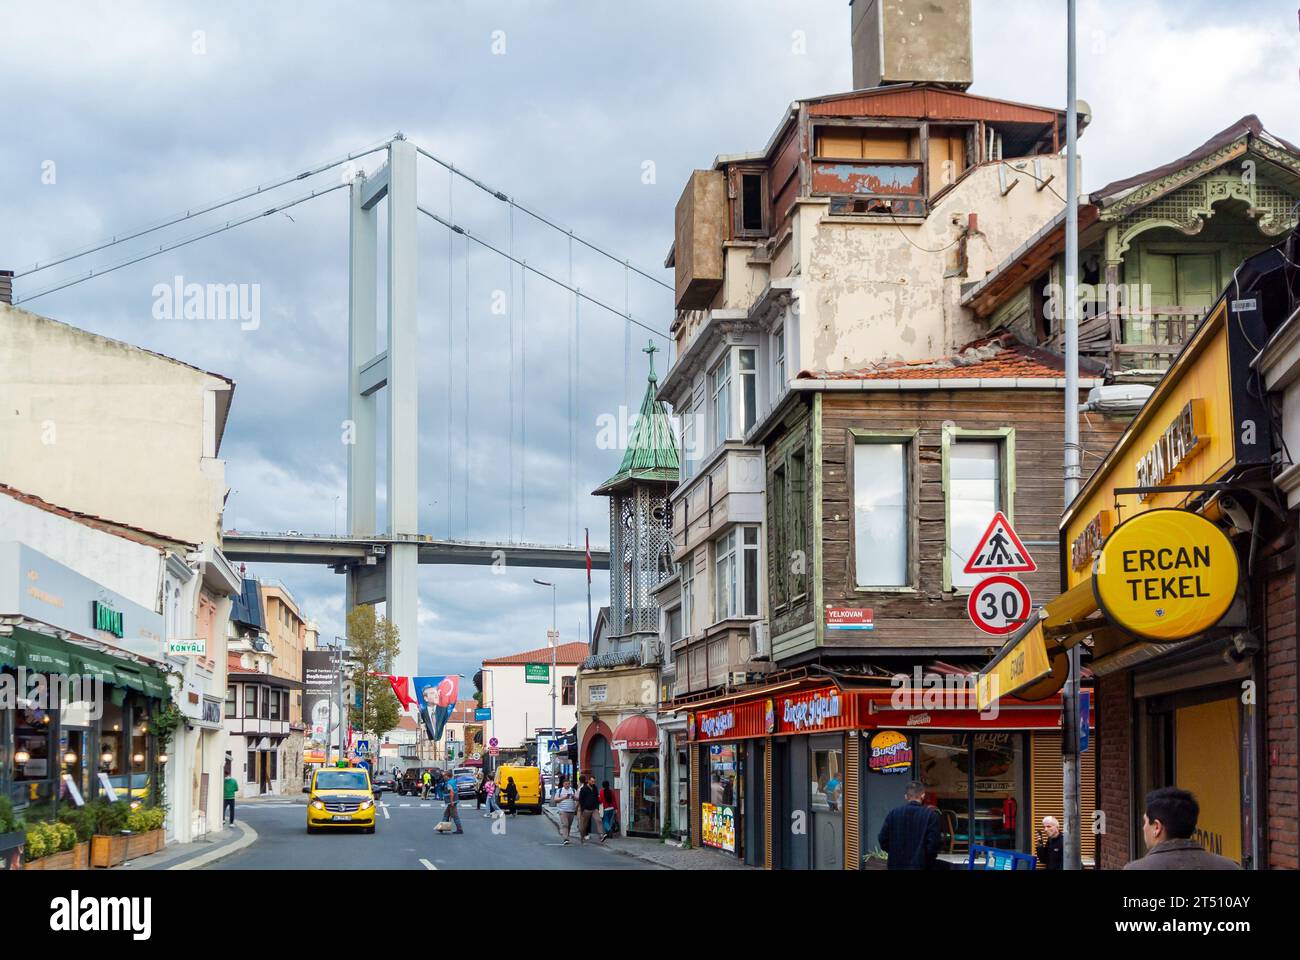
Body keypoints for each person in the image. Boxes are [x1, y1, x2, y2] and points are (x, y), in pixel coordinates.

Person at [1124, 787, 1240, 870]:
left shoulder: (1136, 868)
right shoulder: (1231, 866)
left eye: (1145, 822)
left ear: (1157, 827)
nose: (1143, 828)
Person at [878, 781, 942, 870]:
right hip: (921, 865)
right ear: (923, 795)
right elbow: (934, 843)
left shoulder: (893, 814)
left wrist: (894, 852)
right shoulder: (931, 816)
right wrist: (925, 858)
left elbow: (883, 839)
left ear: (906, 796)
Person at [577, 774, 607, 844]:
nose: (593, 783)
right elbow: (581, 799)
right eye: (592, 781)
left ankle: (601, 835)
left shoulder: (595, 788)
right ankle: (582, 837)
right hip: (586, 809)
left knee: (599, 820)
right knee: (584, 825)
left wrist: (597, 806)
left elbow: (596, 797)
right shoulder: (583, 789)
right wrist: (583, 809)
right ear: (589, 781)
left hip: (594, 808)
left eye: (594, 781)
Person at [554, 776, 578, 844]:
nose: (567, 785)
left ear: (570, 784)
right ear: (563, 784)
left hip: (571, 810)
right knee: (565, 824)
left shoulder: (573, 790)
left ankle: (567, 836)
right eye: (566, 784)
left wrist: (574, 797)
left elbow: (578, 799)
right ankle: (565, 839)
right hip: (562, 810)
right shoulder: (559, 791)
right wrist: (564, 797)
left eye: (568, 784)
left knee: (569, 825)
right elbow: (555, 800)